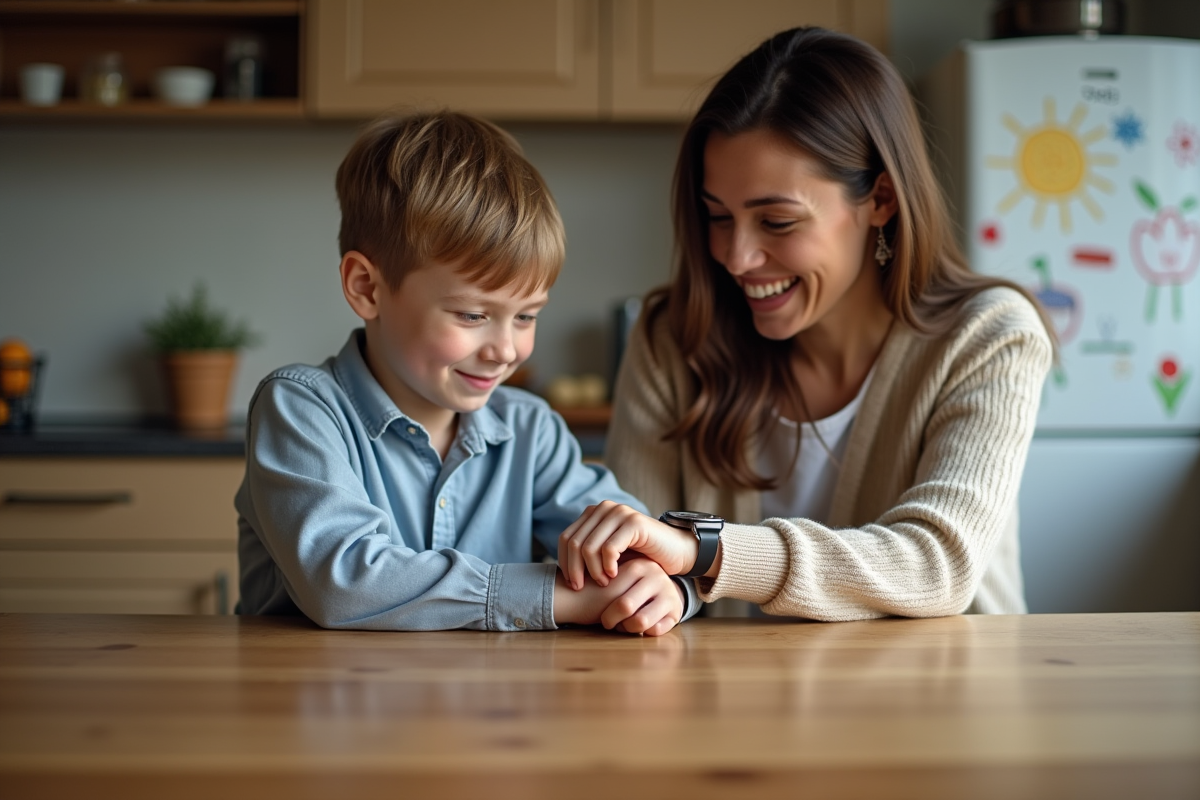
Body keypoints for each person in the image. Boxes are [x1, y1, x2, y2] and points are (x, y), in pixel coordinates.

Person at [558, 27, 1054, 620]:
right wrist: (656, 579)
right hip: (720, 704)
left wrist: (705, 552)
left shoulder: (989, 336)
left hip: (941, 703)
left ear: (881, 201)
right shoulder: (674, 336)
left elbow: (938, 566)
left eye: (777, 222)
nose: (736, 257)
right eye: (718, 217)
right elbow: (639, 561)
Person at [236, 111, 694, 634]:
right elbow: (342, 583)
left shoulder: (531, 431)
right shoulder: (299, 409)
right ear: (367, 288)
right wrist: (559, 598)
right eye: (473, 315)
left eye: (526, 317)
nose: (505, 350)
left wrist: (667, 586)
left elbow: (639, 549)